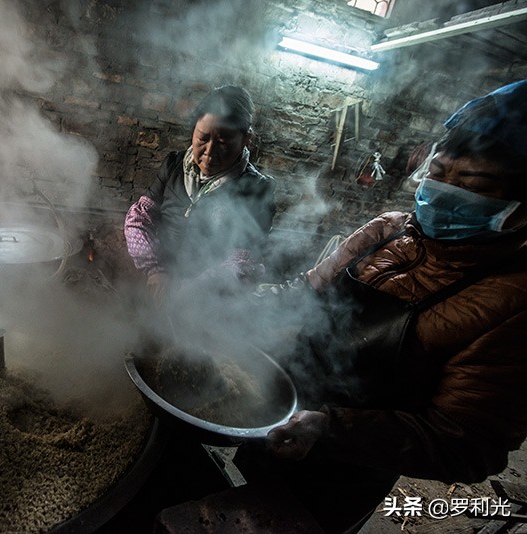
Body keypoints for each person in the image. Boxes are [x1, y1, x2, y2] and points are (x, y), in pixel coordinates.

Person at [157, 80, 527, 534]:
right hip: (277, 407)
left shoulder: (511, 300)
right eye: (439, 172)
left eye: (470, 183)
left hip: (349, 462)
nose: (444, 189)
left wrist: (330, 429)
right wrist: (233, 315)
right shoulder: (388, 231)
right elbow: (306, 291)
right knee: (234, 497)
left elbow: (469, 442)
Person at [124, 85, 277, 302]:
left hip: (210, 303)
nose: (210, 152)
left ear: (245, 139)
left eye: (223, 142)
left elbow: (242, 261)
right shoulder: (174, 166)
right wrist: (154, 269)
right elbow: (139, 218)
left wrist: (189, 290)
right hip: (159, 284)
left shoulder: (257, 190)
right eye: (203, 138)